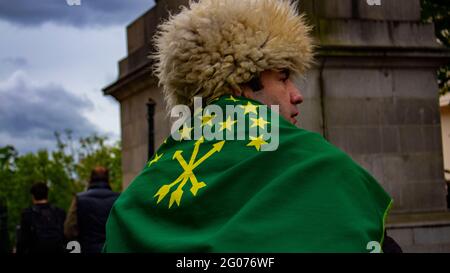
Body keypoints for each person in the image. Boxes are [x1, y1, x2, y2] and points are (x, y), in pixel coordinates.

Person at [104, 0, 400, 252]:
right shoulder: (322, 166)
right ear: (242, 83)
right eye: (283, 77)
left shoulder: (139, 195)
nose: (297, 95)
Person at [64, 166, 119, 253]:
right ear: (108, 179)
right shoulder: (118, 199)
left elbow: (69, 230)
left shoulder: (79, 199)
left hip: (87, 248)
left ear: (91, 178)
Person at [16, 182, 66, 254]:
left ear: (33, 196)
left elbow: (22, 240)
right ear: (47, 195)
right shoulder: (59, 212)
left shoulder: (27, 214)